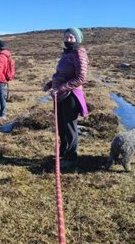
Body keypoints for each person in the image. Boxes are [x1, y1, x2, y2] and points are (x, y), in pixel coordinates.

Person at [43, 28, 89, 170]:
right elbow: (60, 74)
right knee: (61, 126)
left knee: (69, 127)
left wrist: (60, 88)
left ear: (77, 39)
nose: (68, 39)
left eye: (71, 37)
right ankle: (62, 152)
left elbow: (81, 78)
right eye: (66, 37)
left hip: (71, 96)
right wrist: (50, 84)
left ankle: (71, 157)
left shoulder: (79, 53)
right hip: (60, 96)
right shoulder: (66, 54)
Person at [0, 40, 16, 119]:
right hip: (2, 79)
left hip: (0, 79)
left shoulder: (1, 56)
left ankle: (3, 114)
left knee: (1, 96)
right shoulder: (6, 55)